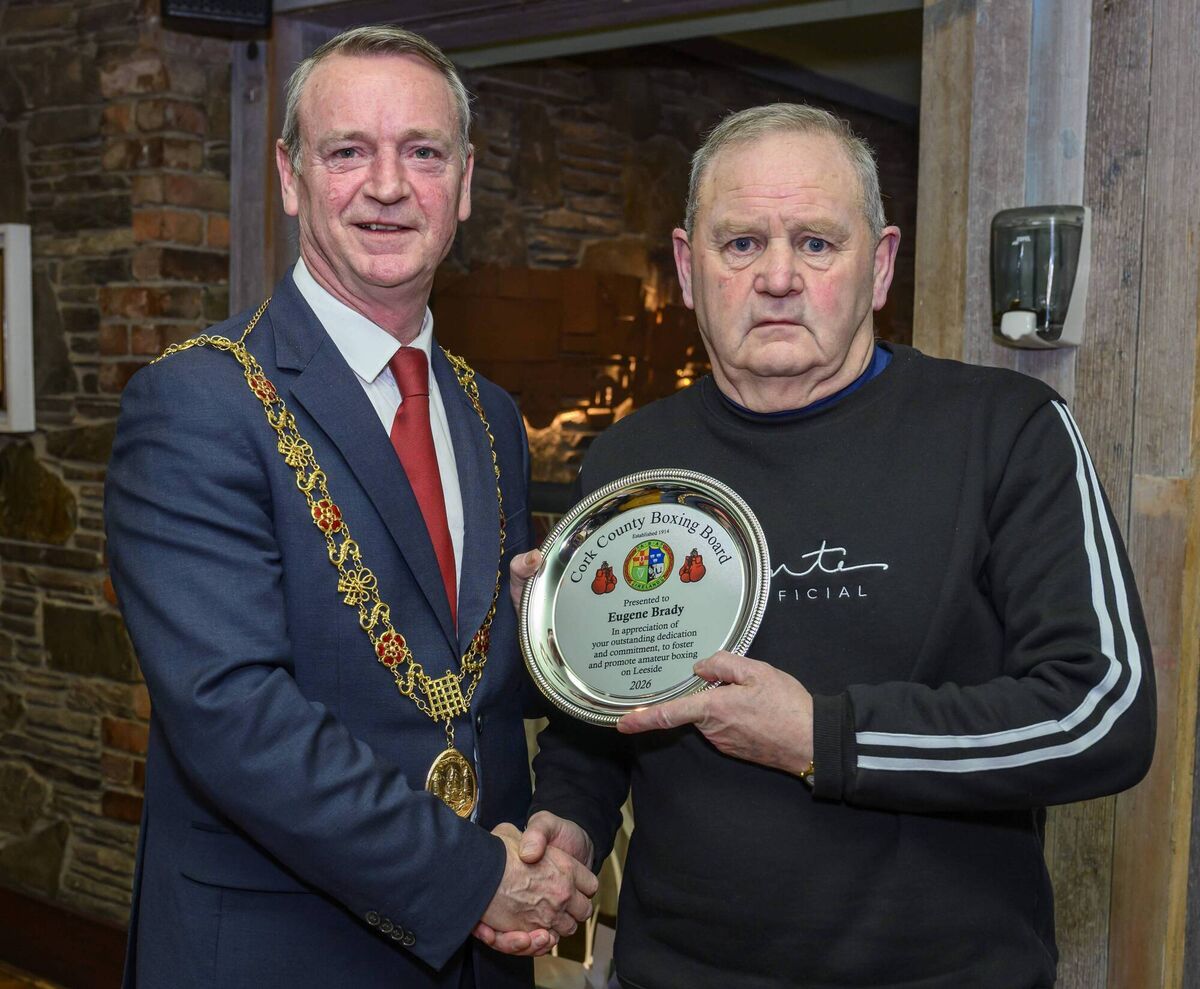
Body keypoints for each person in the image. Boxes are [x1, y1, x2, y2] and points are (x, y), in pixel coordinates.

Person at [501, 104, 1156, 988]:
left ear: (879, 265)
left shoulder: (1007, 431)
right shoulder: (632, 459)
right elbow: (603, 724)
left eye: (816, 243)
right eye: (740, 245)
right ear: (688, 270)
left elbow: (1102, 712)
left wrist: (824, 736)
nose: (777, 276)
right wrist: (566, 824)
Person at [105, 26, 595, 989]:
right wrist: (473, 876)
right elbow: (234, 715)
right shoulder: (200, 401)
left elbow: (467, 688)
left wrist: (576, 631)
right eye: (347, 152)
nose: (386, 186)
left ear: (461, 183)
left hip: (479, 955)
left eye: (422, 151)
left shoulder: (489, 414)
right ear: (290, 178)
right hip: (278, 950)